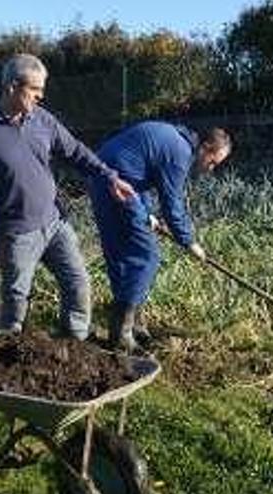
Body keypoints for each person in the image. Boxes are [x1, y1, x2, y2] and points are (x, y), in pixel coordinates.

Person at [0, 53, 136, 340]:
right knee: (15, 302)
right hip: (16, 232)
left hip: (54, 223)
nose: (41, 96)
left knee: (78, 283)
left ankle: (74, 344)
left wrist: (109, 175)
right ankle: (7, 357)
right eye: (35, 89)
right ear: (12, 87)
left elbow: (75, 151)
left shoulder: (42, 120)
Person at [89, 122, 232, 351]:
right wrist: (189, 242)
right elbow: (172, 204)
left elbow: (139, 170)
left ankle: (132, 324)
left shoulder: (173, 139)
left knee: (123, 255)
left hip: (108, 179)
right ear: (205, 148)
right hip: (115, 185)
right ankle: (121, 335)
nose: (210, 168)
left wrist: (146, 213)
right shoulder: (179, 152)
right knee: (147, 257)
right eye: (212, 161)